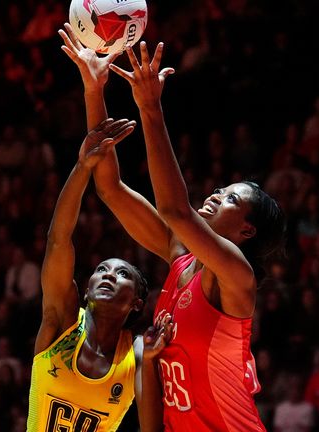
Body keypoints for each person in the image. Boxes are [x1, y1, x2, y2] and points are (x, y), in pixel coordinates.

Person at [59, 25, 284, 430]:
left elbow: (177, 211)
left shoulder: (236, 277)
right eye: (219, 188)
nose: (216, 195)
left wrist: (150, 108)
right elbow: (109, 188)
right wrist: (95, 91)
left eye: (230, 199)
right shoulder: (182, 259)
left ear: (247, 231)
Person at [26, 117, 164, 432]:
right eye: (101, 269)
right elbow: (58, 240)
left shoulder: (139, 352)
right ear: (86, 291)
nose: (108, 275)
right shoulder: (62, 322)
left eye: (122, 274)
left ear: (137, 303)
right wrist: (82, 168)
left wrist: (155, 360)